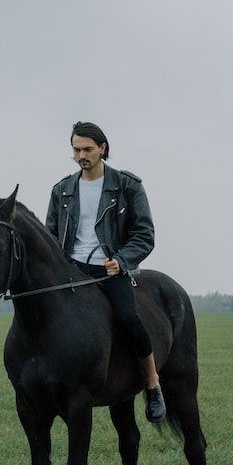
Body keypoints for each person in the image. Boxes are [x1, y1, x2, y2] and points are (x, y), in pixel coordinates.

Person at [44, 121, 165, 423]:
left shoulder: (127, 186)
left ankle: (151, 383)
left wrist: (121, 260)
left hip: (109, 270)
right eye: (75, 150)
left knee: (128, 318)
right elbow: (50, 235)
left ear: (102, 148)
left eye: (87, 149)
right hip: (71, 271)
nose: (81, 155)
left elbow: (144, 234)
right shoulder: (62, 190)